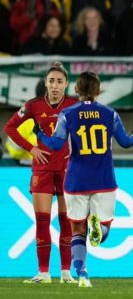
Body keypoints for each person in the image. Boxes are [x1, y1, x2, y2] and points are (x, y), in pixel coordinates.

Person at [35, 71, 133, 288]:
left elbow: (55, 145)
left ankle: (82, 274)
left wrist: (40, 134)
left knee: (77, 230)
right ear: (98, 91)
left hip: (76, 181)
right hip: (104, 180)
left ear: (76, 90)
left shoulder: (67, 114)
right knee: (104, 228)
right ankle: (99, 228)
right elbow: (126, 142)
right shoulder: (110, 114)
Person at [3, 62, 78, 284]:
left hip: (66, 169)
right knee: (42, 221)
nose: (55, 85)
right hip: (42, 169)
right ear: (45, 83)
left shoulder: (74, 106)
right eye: (51, 81)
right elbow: (9, 127)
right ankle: (44, 273)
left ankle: (66, 273)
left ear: (66, 84)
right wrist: (31, 148)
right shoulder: (33, 105)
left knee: (67, 222)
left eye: (59, 81)